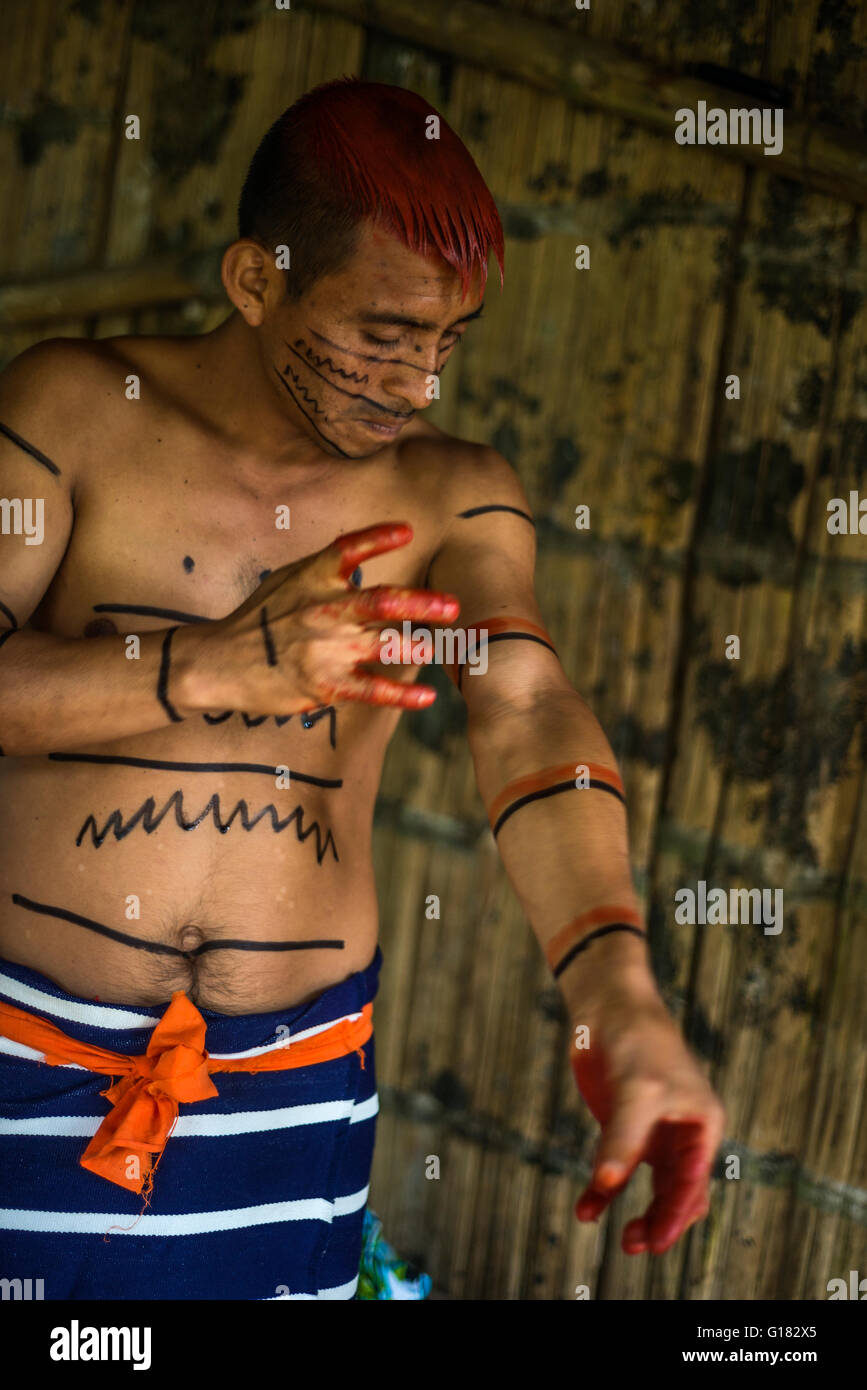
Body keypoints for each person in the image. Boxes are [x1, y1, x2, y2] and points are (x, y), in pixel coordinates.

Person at [0, 76, 725, 1300]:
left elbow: (526, 706)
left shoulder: (455, 493)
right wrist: (212, 665)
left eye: (449, 343)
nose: (419, 384)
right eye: (385, 336)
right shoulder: (72, 409)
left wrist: (619, 992)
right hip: (24, 1042)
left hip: (295, 1082)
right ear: (256, 280)